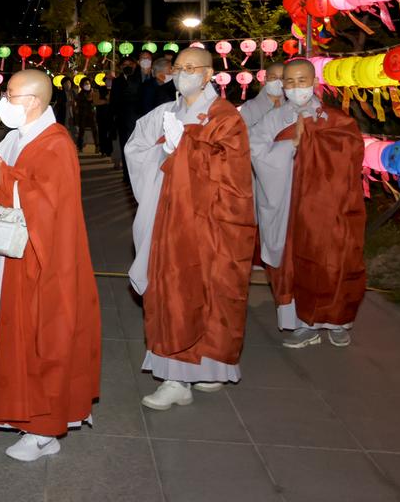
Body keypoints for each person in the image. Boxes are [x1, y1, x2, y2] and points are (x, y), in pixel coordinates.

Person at [0, 69, 100, 461]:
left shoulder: (56, 144)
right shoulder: (16, 137)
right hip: (9, 256)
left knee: (40, 342)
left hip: (39, 262)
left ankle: (44, 430)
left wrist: (4, 178)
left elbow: (49, 205)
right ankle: (18, 414)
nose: (3, 100)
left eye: (10, 95)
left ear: (33, 101)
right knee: (11, 337)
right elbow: (0, 189)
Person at [124, 47, 255, 411]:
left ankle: (206, 366)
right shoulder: (165, 112)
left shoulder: (225, 117)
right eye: (179, 68)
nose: (184, 73)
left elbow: (234, 173)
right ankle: (176, 376)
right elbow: (137, 147)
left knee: (210, 291)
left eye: (192, 67)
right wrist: (163, 149)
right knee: (175, 291)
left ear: (210, 73)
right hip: (171, 215)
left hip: (209, 220)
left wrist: (186, 148)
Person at [249, 58, 366, 348]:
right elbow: (254, 150)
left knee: (333, 259)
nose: (296, 87)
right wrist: (293, 144)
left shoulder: (335, 119)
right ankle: (302, 324)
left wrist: (318, 142)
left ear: (314, 83)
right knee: (291, 263)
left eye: (302, 81)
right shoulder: (273, 119)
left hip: (326, 207)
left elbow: (352, 154)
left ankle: (337, 320)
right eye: (289, 82)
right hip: (287, 204)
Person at [112, 57, 144, 180]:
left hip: (138, 118)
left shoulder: (140, 79)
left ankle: (139, 173)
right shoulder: (117, 82)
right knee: (125, 146)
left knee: (138, 146)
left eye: (130, 64)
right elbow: (113, 101)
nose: (128, 66)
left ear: (135, 65)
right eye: (124, 64)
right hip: (122, 119)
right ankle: (127, 174)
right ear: (120, 67)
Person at [239, 61, 285, 131]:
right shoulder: (249, 108)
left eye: (282, 78)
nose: (278, 81)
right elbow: (242, 136)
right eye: (273, 77)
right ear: (265, 79)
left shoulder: (292, 106)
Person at [94, 78, 114, 157]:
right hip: (101, 115)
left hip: (111, 115)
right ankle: (103, 150)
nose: (109, 82)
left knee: (110, 134)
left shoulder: (115, 89)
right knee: (102, 133)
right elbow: (96, 101)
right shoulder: (99, 89)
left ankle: (109, 151)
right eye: (107, 80)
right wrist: (107, 101)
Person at [75, 77, 96, 152]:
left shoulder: (94, 93)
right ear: (82, 85)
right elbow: (79, 104)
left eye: (88, 83)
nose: (87, 85)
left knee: (95, 130)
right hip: (83, 115)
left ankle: (97, 146)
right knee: (82, 131)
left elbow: (95, 102)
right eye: (85, 84)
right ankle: (80, 146)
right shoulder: (80, 95)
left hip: (91, 114)